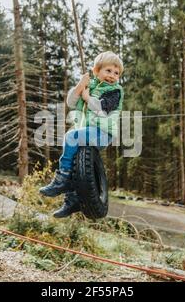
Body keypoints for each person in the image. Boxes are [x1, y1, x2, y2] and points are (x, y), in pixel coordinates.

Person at [39, 51, 125, 218]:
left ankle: (62, 178)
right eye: (108, 71)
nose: (112, 76)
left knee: (71, 137)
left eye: (116, 73)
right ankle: (72, 200)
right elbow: (71, 102)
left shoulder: (115, 91)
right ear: (96, 71)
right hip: (88, 131)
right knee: (76, 158)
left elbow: (102, 108)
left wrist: (87, 97)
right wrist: (80, 86)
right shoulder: (89, 86)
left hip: (103, 132)